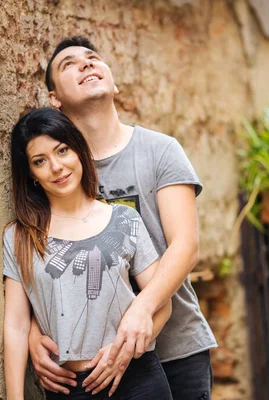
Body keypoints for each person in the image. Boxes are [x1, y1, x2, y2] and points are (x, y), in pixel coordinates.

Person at [29, 36, 217, 399]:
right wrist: (35, 334)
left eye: (93, 58)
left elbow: (186, 246)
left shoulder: (160, 150)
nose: (86, 64)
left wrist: (140, 312)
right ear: (54, 99)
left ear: (113, 83)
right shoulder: (55, 172)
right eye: (69, 64)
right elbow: (46, 260)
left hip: (174, 349)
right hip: (93, 366)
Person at [3, 107, 173, 399]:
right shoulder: (20, 236)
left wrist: (123, 354)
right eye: (40, 161)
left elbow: (162, 305)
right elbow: (16, 325)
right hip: (67, 388)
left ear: (79, 151)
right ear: (30, 174)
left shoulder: (124, 220)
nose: (56, 167)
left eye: (62, 150)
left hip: (134, 379)